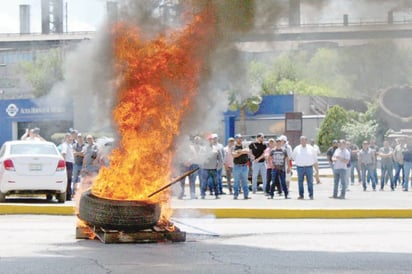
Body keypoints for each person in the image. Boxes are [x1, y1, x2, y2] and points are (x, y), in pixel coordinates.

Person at [292, 136, 318, 200]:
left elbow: (315, 159)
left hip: (309, 167)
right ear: (300, 141)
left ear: (306, 141)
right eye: (301, 140)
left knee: (310, 182)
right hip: (300, 168)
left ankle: (311, 195)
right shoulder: (296, 148)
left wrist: (316, 170)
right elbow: (293, 157)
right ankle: (301, 195)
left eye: (304, 140)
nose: (303, 141)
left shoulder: (311, 148)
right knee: (300, 182)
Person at [199, 135, 222, 199]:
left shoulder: (217, 148)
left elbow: (220, 159)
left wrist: (218, 167)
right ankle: (203, 195)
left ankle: (217, 195)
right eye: (209, 140)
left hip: (214, 169)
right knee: (204, 183)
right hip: (205, 169)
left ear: (213, 140)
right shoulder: (203, 149)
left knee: (215, 183)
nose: (210, 141)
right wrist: (202, 165)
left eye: (211, 140)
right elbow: (200, 158)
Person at [232, 134, 250, 200]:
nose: (239, 139)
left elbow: (247, 151)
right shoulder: (233, 147)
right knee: (236, 182)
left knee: (245, 182)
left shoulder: (245, 145)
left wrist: (239, 152)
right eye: (238, 138)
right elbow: (234, 155)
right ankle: (235, 195)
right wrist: (242, 152)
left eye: (240, 138)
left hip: (244, 166)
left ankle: (246, 195)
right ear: (236, 139)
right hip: (236, 166)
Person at [60, 133, 74, 200]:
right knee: (68, 179)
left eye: (70, 137)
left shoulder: (70, 145)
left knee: (69, 179)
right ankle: (68, 195)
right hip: (67, 163)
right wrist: (64, 163)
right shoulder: (65, 145)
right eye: (67, 137)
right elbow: (64, 154)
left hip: (70, 163)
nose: (69, 138)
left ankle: (68, 194)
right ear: (65, 138)